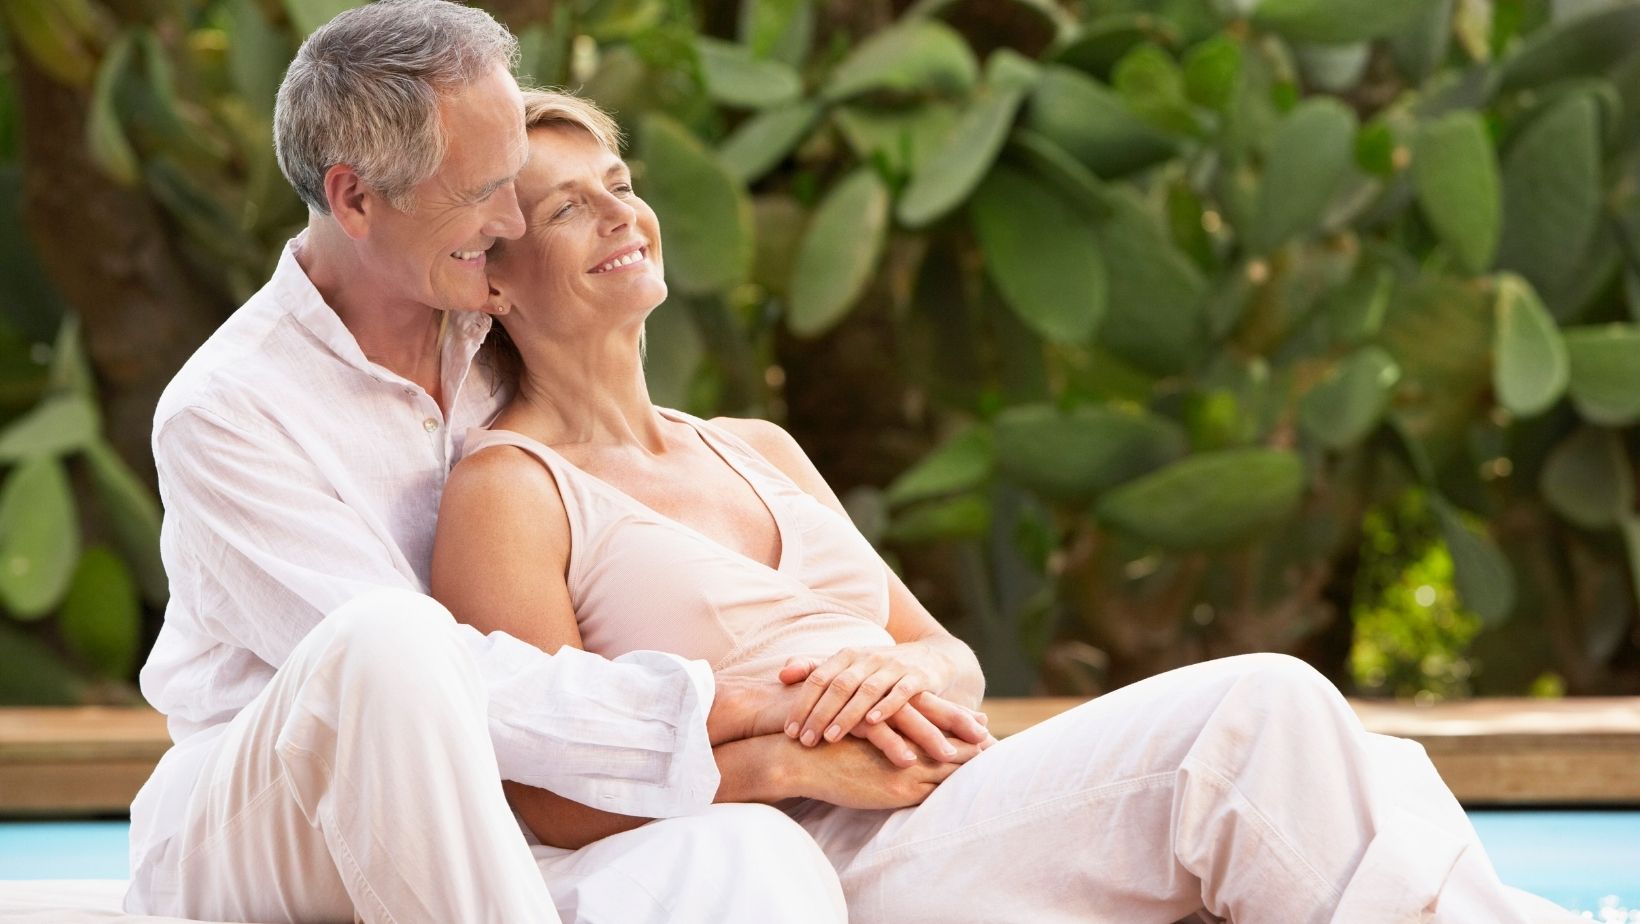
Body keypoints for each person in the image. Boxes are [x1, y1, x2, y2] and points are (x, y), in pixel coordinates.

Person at [429, 87, 1585, 924]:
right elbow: (543, 795)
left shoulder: (752, 446)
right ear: (493, 275)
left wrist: (895, 675)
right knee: (1254, 719)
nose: (620, 215)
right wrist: (785, 763)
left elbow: (949, 658)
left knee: (1363, 770)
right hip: (831, 857)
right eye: (567, 208)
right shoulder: (512, 488)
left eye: (620, 185)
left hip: (956, 798)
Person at [123, 3, 857, 921]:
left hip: (493, 815)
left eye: (514, 180)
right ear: (355, 199)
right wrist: (739, 711)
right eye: (480, 192)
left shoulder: (502, 331)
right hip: (273, 816)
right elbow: (423, 688)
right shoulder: (227, 409)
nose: (511, 219)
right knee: (388, 639)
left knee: (746, 850)